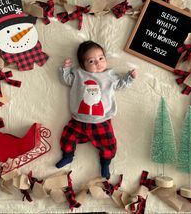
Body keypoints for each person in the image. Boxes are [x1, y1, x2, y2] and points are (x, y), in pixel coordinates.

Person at [56, 40, 137, 178]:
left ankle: (105, 163)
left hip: (102, 121)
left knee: (108, 144)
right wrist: (66, 69)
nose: (98, 63)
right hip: (78, 120)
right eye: (91, 61)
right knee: (67, 137)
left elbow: (120, 85)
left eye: (101, 58)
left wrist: (129, 77)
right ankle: (68, 155)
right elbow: (67, 80)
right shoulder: (79, 74)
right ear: (83, 64)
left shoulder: (110, 75)